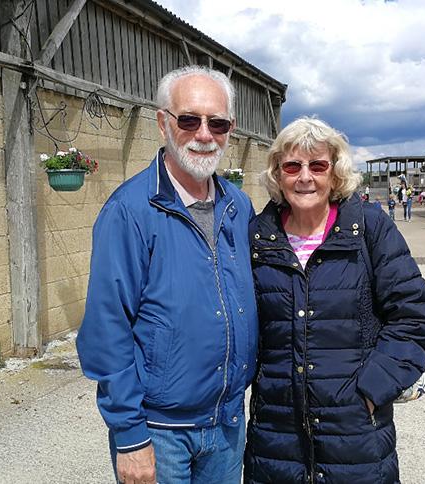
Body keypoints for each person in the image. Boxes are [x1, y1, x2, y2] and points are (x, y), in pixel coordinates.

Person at [77, 65, 258, 484]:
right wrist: (129, 438)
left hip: (228, 424)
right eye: (189, 120)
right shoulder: (130, 211)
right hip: (160, 435)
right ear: (163, 123)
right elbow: (107, 330)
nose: (204, 134)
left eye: (218, 123)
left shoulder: (239, 207)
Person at [244, 117, 425, 483]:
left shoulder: (369, 228)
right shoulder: (257, 237)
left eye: (317, 165)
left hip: (356, 434)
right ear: (277, 173)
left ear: (334, 173)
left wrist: (372, 390)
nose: (305, 177)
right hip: (276, 435)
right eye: (292, 166)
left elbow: (414, 317)